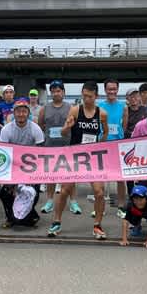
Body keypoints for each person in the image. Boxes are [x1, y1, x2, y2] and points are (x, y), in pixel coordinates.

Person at [47, 80, 109, 239]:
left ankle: (97, 225)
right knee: (64, 190)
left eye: (89, 96)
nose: (86, 99)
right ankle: (56, 222)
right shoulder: (75, 110)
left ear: (96, 96)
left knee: (99, 192)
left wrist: (100, 146)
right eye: (84, 96)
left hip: (92, 157)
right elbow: (63, 133)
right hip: (74, 156)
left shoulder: (102, 114)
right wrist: (68, 126)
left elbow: (105, 133)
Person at [38, 80, 82, 215]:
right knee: (51, 176)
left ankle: (73, 202)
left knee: (70, 176)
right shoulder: (44, 108)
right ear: (50, 93)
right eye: (53, 91)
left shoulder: (71, 108)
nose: (56, 93)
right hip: (50, 147)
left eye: (58, 91)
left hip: (67, 147)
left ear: (63, 92)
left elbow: (75, 127)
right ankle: (50, 201)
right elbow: (41, 126)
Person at [0, 99, 45, 228]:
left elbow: (41, 151)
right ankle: (11, 217)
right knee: (5, 193)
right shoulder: (6, 129)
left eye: (24, 111)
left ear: (28, 113)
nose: (21, 114)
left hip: (31, 166)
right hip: (12, 165)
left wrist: (31, 176)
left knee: (32, 193)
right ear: (14, 113)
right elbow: (3, 152)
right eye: (18, 111)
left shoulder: (35, 128)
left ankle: (27, 216)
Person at [99, 78, 128, 218]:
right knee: (101, 177)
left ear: (117, 89)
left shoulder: (124, 106)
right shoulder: (99, 106)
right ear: (105, 90)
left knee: (120, 178)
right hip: (102, 145)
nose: (112, 91)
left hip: (118, 146)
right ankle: (100, 207)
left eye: (114, 89)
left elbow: (124, 127)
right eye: (109, 89)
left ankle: (121, 206)